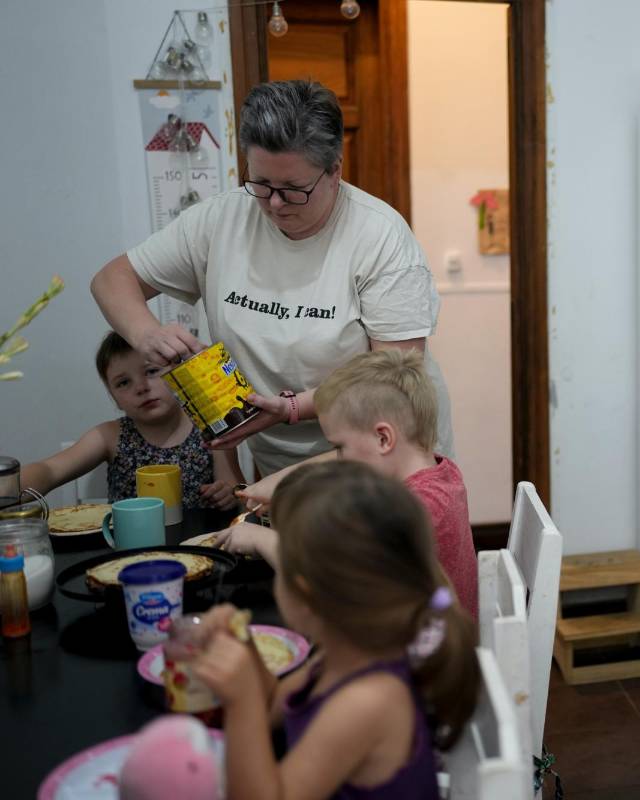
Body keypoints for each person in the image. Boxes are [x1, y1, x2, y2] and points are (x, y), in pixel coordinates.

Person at [90, 79, 453, 478]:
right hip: (282, 460)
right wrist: (146, 335)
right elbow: (112, 280)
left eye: (294, 189)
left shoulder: (380, 238)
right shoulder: (220, 220)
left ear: (334, 170)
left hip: (383, 456)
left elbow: (393, 381)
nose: (275, 204)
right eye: (261, 184)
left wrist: (293, 408)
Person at [192, 461, 479, 800]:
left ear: (305, 594)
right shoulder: (340, 655)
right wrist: (244, 646)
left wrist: (240, 703)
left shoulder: (366, 700)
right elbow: (272, 708)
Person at [217, 349, 479, 621]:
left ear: (383, 439)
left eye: (340, 447)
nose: (338, 458)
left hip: (418, 654)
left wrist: (263, 540)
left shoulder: (413, 509)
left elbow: (331, 586)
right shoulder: (442, 473)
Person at [20, 332, 241, 509]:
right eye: (123, 383)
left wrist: (227, 494)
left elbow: (235, 490)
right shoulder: (110, 436)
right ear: (113, 396)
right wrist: (9, 489)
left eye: (152, 371)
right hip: (128, 552)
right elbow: (49, 470)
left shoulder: (211, 424)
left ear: (177, 373)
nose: (141, 388)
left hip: (200, 547)